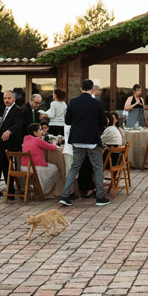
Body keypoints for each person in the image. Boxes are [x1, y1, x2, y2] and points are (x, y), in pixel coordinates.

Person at [59, 79, 110, 207]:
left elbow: (68, 121)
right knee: (97, 167)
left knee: (74, 167)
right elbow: (103, 122)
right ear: (92, 89)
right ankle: (100, 197)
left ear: (81, 89)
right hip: (92, 139)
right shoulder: (96, 103)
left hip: (77, 139)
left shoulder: (73, 102)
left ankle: (65, 195)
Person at [0, 90, 28, 200]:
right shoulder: (5, 109)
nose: (6, 100)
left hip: (9, 143)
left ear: (14, 99)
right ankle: (10, 191)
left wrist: (9, 131)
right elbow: (7, 122)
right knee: (5, 167)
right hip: (3, 141)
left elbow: (19, 124)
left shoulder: (17, 110)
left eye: (9, 98)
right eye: (5, 98)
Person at [21, 123, 60, 196]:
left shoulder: (25, 138)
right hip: (35, 167)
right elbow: (52, 148)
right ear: (35, 132)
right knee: (55, 169)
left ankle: (37, 187)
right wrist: (54, 142)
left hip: (24, 166)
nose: (41, 131)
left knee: (49, 170)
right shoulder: (37, 140)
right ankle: (43, 190)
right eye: (40, 130)